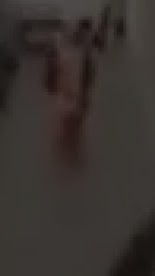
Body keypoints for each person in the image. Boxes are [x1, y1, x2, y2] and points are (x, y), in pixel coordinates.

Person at [46, 20, 97, 166]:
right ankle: (74, 156)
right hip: (77, 94)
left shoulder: (58, 53)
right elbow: (90, 75)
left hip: (64, 93)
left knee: (65, 125)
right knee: (75, 125)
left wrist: (51, 86)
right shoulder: (84, 54)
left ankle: (67, 157)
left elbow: (50, 75)